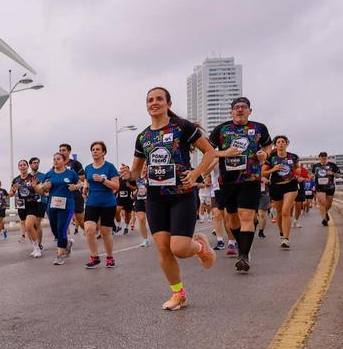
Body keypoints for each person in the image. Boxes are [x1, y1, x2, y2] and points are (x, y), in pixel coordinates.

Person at [130, 87, 217, 310]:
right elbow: (136, 170)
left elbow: (210, 152)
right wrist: (127, 176)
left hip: (182, 195)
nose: (154, 102)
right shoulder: (143, 137)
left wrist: (197, 173)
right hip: (155, 197)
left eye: (159, 99)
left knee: (178, 248)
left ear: (168, 103)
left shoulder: (182, 127)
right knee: (163, 249)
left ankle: (199, 246)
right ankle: (178, 293)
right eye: (150, 100)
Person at [208, 96, 273, 274]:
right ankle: (241, 245)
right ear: (231, 111)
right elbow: (208, 151)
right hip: (227, 181)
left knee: (246, 216)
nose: (240, 109)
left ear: (249, 111)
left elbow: (268, 146)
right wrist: (224, 153)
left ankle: (243, 255)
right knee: (231, 219)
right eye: (236, 107)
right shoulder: (221, 130)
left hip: (250, 179)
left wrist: (264, 155)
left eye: (244, 107)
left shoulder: (259, 128)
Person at [36, 152, 81, 265]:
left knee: (61, 229)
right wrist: (43, 187)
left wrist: (75, 187)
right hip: (52, 205)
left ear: (64, 161)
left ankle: (59, 256)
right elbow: (41, 191)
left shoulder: (71, 173)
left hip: (67, 206)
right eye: (54, 159)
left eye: (58, 159)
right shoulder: (49, 174)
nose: (55, 161)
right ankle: (67, 244)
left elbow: (81, 183)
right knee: (55, 230)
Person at [81, 141, 120, 269]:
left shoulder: (110, 167)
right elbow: (87, 179)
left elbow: (116, 186)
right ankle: (94, 257)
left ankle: (110, 257)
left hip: (108, 203)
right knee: (89, 229)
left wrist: (103, 180)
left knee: (105, 232)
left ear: (103, 152)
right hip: (92, 202)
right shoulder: (88, 168)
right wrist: (85, 187)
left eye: (98, 149)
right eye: (93, 149)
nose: (95, 151)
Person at [261, 136, 301, 250]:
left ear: (287, 144)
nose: (281, 144)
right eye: (278, 142)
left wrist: (297, 171)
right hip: (276, 187)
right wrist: (274, 169)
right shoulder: (271, 158)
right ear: (275, 145)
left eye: (283, 142)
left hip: (290, 186)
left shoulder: (293, 157)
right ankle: (282, 232)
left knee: (285, 212)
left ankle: (286, 239)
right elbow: (263, 173)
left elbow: (298, 169)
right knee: (278, 213)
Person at [11, 159, 42, 257]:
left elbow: (41, 192)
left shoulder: (32, 177)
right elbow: (11, 194)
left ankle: (38, 248)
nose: (22, 166)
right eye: (20, 165)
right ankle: (35, 247)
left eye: (24, 165)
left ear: (27, 166)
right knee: (28, 228)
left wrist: (35, 187)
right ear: (18, 167)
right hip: (21, 206)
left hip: (32, 204)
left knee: (29, 225)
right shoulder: (16, 180)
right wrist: (13, 190)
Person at [58, 143, 85, 235]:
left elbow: (83, 177)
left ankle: (89, 233)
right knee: (63, 221)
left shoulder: (75, 163)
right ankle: (65, 242)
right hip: (61, 195)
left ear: (69, 151)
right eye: (60, 150)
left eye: (64, 150)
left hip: (75, 195)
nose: (61, 152)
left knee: (81, 221)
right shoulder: (56, 164)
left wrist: (70, 176)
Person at [313, 152, 340, 226]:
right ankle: (324, 219)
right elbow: (312, 175)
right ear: (319, 158)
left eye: (325, 159)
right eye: (322, 159)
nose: (323, 160)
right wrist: (311, 177)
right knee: (322, 202)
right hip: (319, 187)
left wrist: (332, 174)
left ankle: (326, 212)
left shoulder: (332, 165)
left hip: (330, 187)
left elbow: (339, 175)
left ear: (326, 158)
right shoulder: (315, 166)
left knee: (329, 204)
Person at [115, 165, 133, 235]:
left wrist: (130, 186)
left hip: (128, 200)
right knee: (117, 211)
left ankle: (126, 227)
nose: (124, 171)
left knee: (127, 216)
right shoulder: (119, 179)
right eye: (123, 170)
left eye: (126, 170)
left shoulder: (131, 179)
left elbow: (135, 188)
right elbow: (115, 187)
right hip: (120, 199)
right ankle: (119, 226)